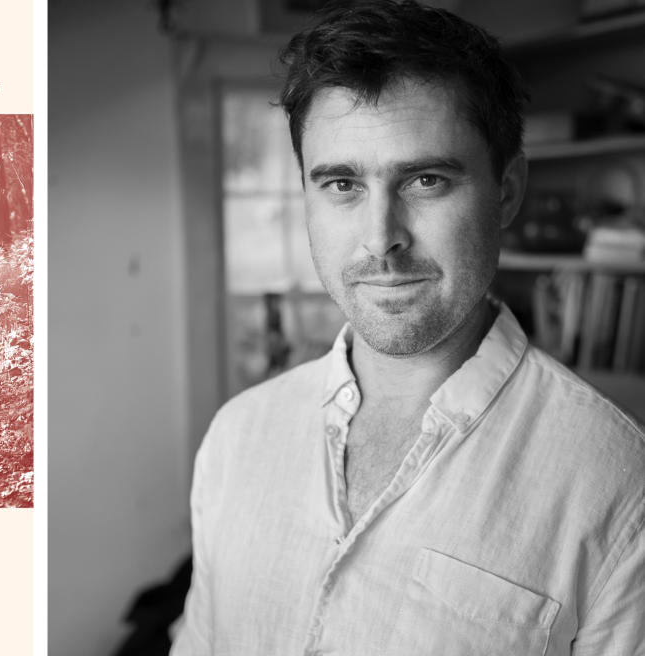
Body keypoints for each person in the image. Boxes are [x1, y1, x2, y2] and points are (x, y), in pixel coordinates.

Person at [171, 2, 645, 654]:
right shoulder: (237, 437)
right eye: (341, 183)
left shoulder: (617, 485)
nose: (380, 240)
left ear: (507, 192)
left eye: (426, 180)